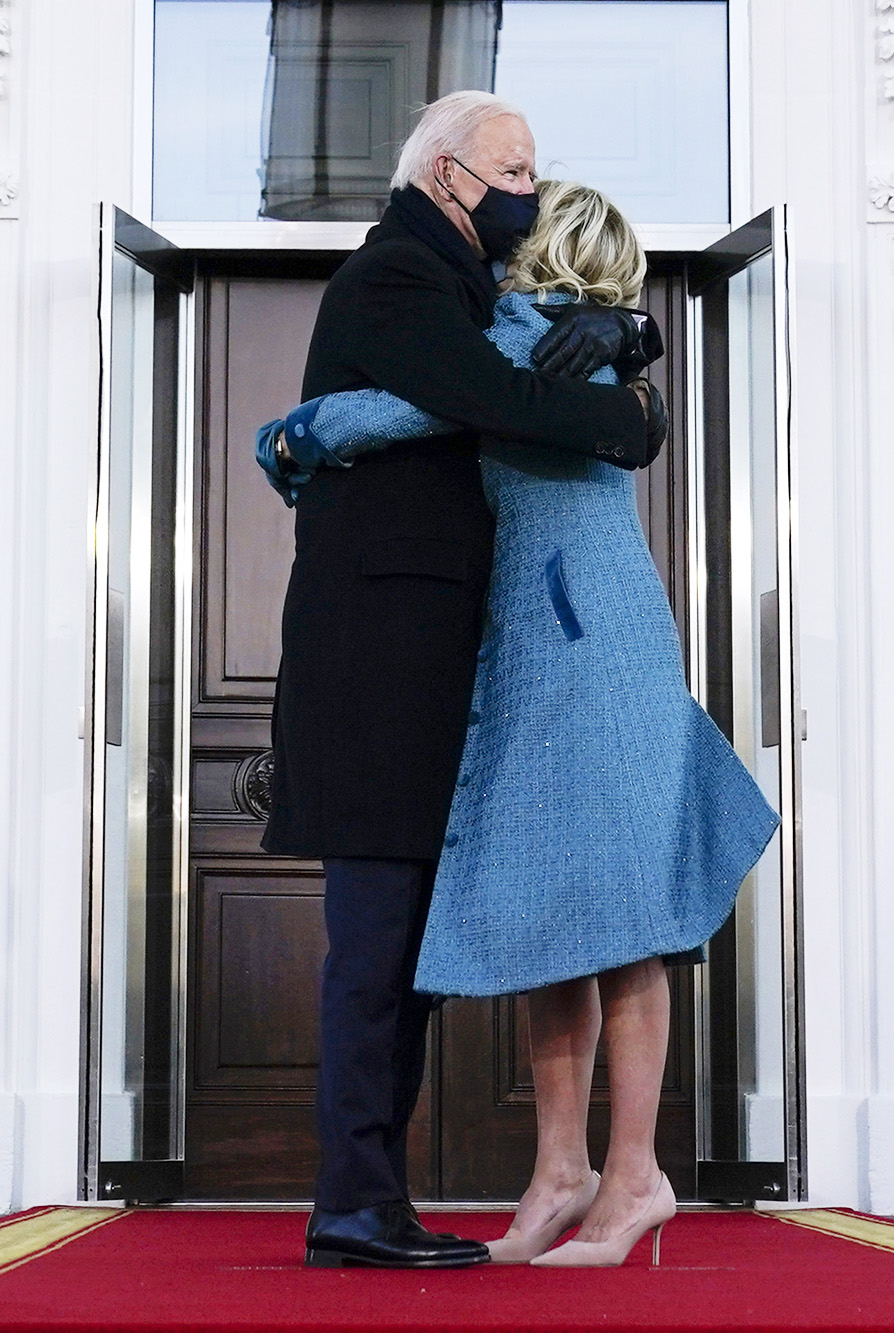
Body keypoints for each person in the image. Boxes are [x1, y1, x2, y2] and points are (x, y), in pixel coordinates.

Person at [260, 178, 779, 1267]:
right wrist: (633, 335)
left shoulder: (526, 338)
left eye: (518, 225)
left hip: (586, 644)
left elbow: (409, 405)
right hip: (557, 643)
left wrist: (294, 432)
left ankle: (633, 1178)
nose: (496, 231)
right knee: (563, 911)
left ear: (537, 254)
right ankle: (561, 1171)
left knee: (627, 917)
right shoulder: (566, 340)